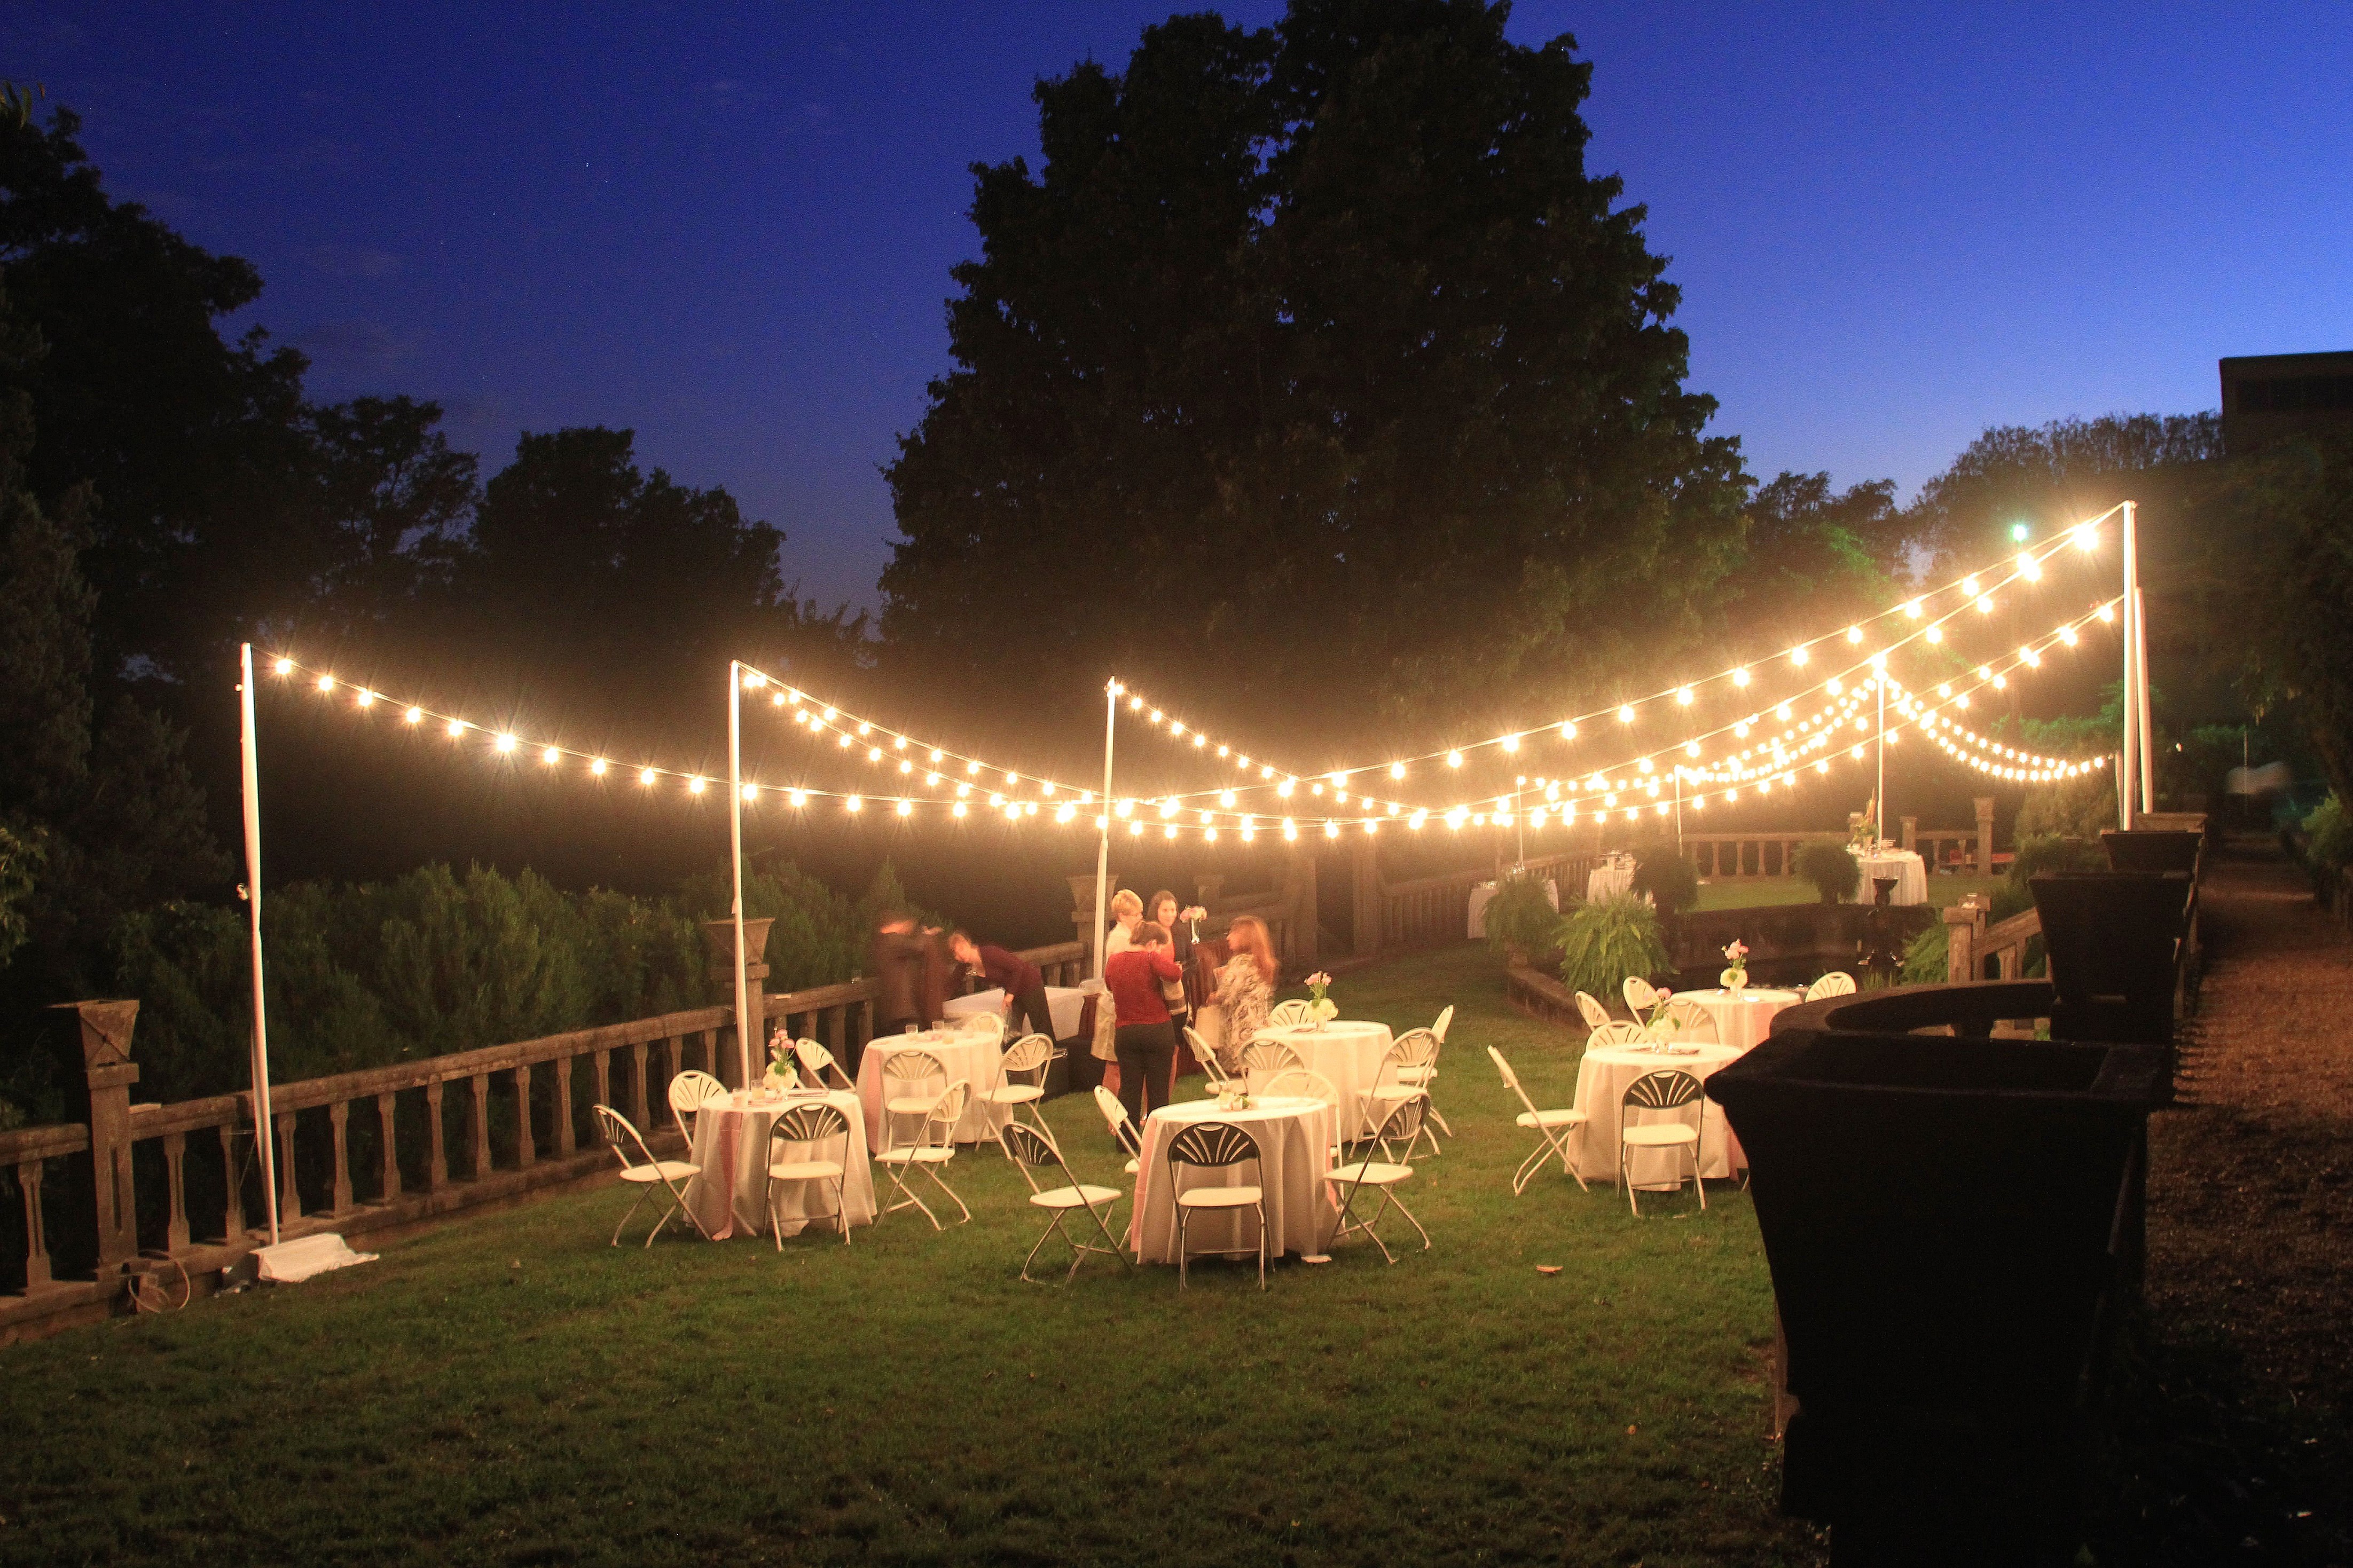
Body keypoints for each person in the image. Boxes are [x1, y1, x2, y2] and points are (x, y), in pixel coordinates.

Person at [1104, 920, 1183, 1128]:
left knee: (1129, 1088)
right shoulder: (1150, 959)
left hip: (1126, 1032)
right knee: (1158, 1090)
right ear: (1152, 944)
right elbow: (1175, 974)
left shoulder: (1113, 961)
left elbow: (1109, 984)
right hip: (1157, 1030)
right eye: (1160, 948)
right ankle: (1156, 1138)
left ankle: (1126, 1141)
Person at [949, 930, 1053, 1042]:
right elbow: (951, 984)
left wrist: (1010, 995)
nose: (960, 955)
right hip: (1012, 991)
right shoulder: (964, 967)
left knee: (1042, 1027)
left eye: (962, 949)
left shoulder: (989, 952)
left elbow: (1017, 968)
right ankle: (1016, 1057)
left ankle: (1049, 1055)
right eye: (956, 954)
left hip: (1030, 984)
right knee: (1011, 1032)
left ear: (968, 944)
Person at [1213, 913, 1278, 1073]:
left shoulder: (1240, 963)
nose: (1228, 938)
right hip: (1263, 1035)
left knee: (1243, 1083)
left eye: (1233, 933)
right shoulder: (1265, 963)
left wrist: (1212, 996)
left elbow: (1225, 996)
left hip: (1241, 1039)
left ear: (1245, 938)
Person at [1146, 889, 1207, 1040]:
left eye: (1173, 910)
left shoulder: (1182, 932)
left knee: (1176, 1040)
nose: (1170, 914)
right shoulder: (1147, 933)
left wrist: (1178, 974)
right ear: (1156, 912)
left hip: (1178, 995)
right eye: (1165, 910)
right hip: (1154, 995)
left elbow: (1193, 962)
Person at [868, 911, 930, 1061]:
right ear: (892, 925)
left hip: (890, 1010)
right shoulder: (892, 940)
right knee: (913, 1054)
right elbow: (919, 947)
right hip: (903, 1011)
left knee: (897, 1056)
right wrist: (925, 933)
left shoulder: (879, 943)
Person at [1103, 888, 1144, 961]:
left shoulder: (1130, 934)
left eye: (1141, 913)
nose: (1141, 917)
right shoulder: (1121, 938)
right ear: (1122, 916)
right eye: (1136, 915)